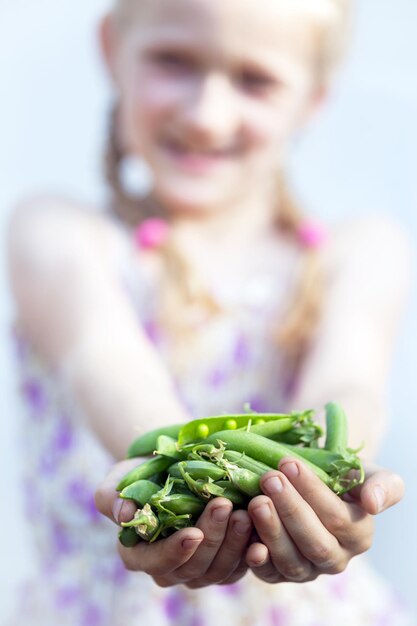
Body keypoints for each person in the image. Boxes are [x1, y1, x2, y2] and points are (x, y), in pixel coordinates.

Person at [5, 0, 414, 624]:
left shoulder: (357, 252)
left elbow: (347, 382)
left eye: (256, 79)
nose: (206, 115)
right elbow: (105, 361)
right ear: (113, 50)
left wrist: (340, 482)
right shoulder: (59, 233)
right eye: (174, 61)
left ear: (314, 98)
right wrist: (179, 471)